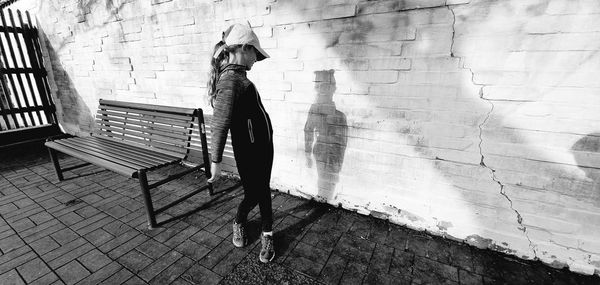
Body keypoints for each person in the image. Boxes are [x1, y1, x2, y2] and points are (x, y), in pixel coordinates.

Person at [206, 23, 275, 263]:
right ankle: (239, 220)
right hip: (250, 151)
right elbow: (220, 123)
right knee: (255, 193)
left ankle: (267, 234)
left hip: (263, 147)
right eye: (255, 53)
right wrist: (215, 162)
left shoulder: (238, 77)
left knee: (262, 191)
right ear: (244, 48)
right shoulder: (231, 81)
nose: (256, 59)